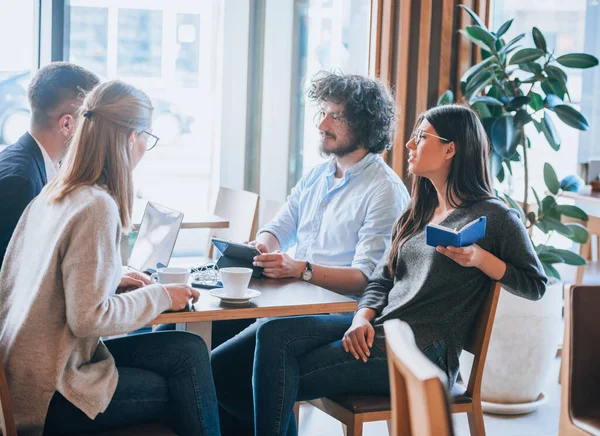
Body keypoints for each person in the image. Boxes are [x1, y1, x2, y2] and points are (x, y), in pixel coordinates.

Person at [215, 104, 548, 435]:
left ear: (450, 149)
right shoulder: (419, 212)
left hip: (421, 352)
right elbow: (381, 278)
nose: (409, 144)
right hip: (382, 328)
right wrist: (362, 317)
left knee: (272, 371)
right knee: (266, 337)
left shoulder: (495, 217)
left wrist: (481, 259)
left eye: (421, 136)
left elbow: (535, 284)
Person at [0, 80, 220, 436]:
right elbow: (89, 319)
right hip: (52, 389)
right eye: (148, 136)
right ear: (130, 138)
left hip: (22, 372)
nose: (147, 147)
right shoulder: (97, 205)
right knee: (191, 379)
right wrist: (162, 295)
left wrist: (111, 279)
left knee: (188, 348)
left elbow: (31, 280)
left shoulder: (55, 193)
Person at [249, 71, 409, 294]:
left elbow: (366, 278)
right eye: (323, 113)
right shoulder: (316, 175)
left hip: (343, 313)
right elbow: (281, 227)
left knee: (269, 330)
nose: (322, 125)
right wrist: (262, 247)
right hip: (297, 300)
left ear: (363, 125)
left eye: (336, 117)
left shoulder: (385, 190)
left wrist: (301, 269)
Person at [0, 62, 100, 268]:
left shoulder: (34, 164)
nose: (94, 132)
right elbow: (12, 275)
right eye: (91, 120)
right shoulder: (21, 181)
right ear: (67, 124)